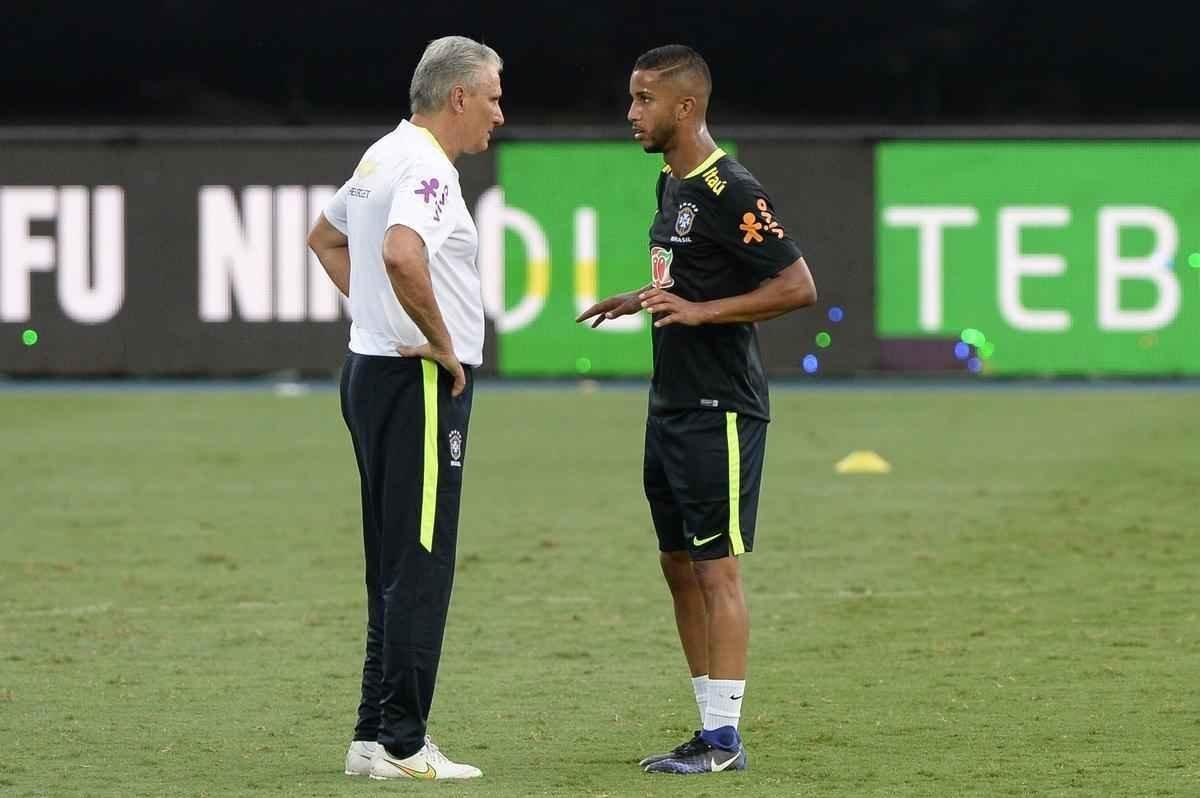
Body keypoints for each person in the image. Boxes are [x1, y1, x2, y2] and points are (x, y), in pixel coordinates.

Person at [576, 44, 817, 775]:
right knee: (678, 564)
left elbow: (798, 286)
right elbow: (686, 277)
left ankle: (724, 741)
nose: (630, 113)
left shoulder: (730, 187)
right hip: (671, 403)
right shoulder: (670, 185)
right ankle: (708, 727)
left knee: (717, 572)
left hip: (720, 407)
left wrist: (704, 311)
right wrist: (642, 297)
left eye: (643, 99)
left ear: (684, 107)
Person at [306, 35, 504, 782]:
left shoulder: (383, 152)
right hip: (417, 383)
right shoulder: (428, 169)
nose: (499, 112)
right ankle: (402, 742)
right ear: (458, 96)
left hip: (368, 371)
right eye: (491, 95)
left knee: (389, 562)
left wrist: (380, 321)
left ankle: (370, 735)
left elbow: (323, 238)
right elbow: (397, 252)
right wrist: (441, 342)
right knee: (420, 562)